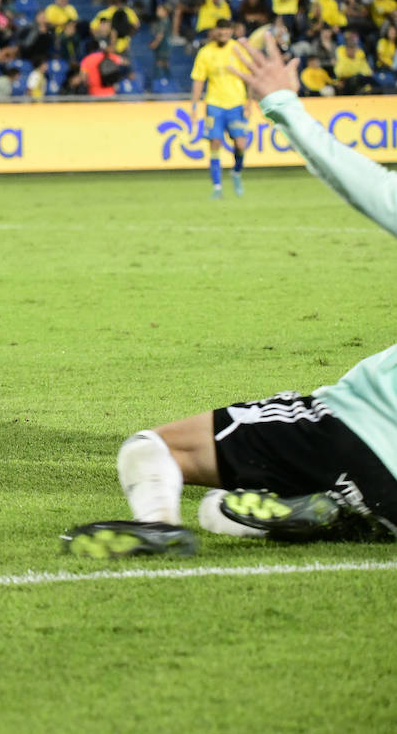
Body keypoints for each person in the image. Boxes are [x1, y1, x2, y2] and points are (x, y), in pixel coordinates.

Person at [63, 35, 397, 557]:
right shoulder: (208, 55)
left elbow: (375, 190)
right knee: (222, 510)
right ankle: (336, 509)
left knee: (151, 449)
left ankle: (158, 525)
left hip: (353, 427)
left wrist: (284, 104)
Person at [189, 19, 250, 199]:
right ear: (215, 31)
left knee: (240, 144)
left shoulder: (239, 50)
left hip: (236, 104)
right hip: (214, 105)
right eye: (220, 29)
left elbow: (249, 76)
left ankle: (236, 172)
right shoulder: (205, 53)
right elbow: (199, 80)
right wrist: (194, 105)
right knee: (214, 143)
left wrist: (250, 101)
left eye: (226, 29)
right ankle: (217, 187)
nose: (223, 32)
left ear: (231, 31)